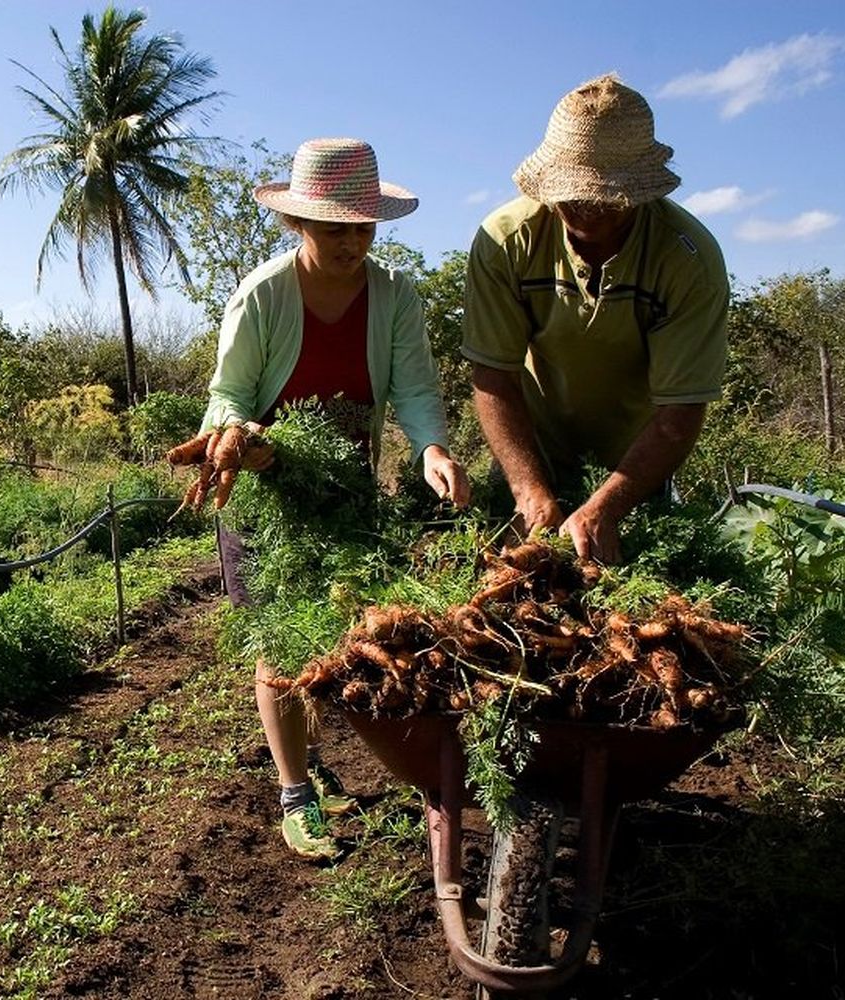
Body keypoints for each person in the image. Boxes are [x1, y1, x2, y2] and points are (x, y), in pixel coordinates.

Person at [197, 137, 469, 860]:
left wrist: (431, 448)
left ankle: (308, 760)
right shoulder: (264, 294)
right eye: (333, 228)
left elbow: (413, 390)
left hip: (345, 487)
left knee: (327, 634)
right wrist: (242, 436)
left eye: (362, 227)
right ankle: (293, 794)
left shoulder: (396, 295)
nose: (351, 242)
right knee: (276, 642)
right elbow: (227, 392)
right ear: (299, 225)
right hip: (261, 490)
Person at [462, 74, 729, 564]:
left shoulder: (686, 259)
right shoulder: (506, 240)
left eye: (604, 199)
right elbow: (493, 372)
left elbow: (680, 409)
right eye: (569, 194)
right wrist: (527, 488)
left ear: (637, 192)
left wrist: (608, 505)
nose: (583, 208)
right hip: (529, 446)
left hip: (633, 465)